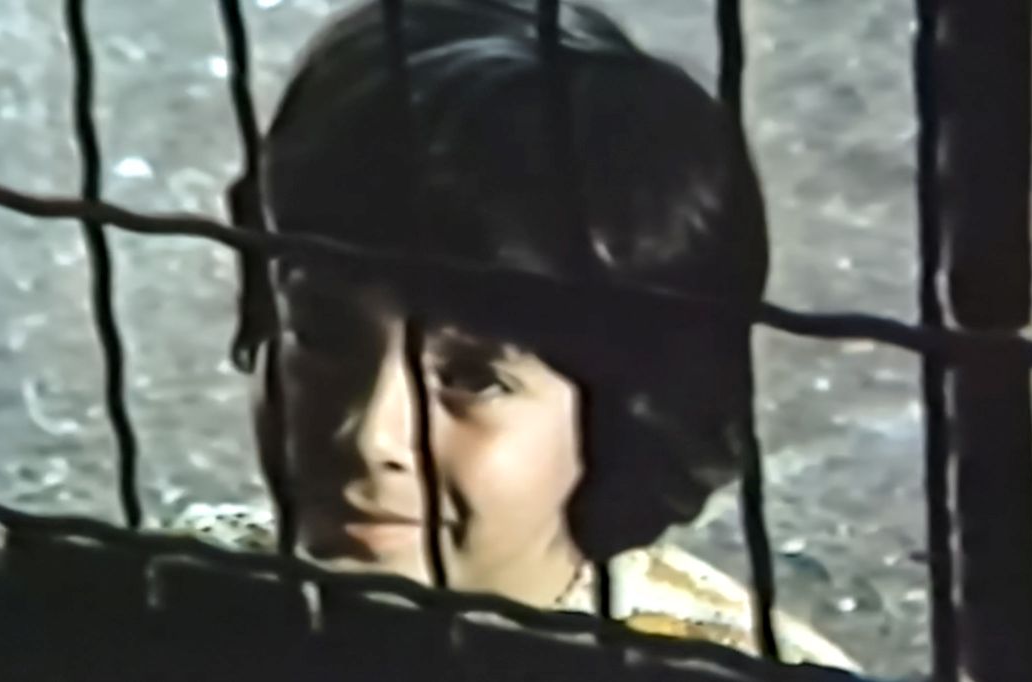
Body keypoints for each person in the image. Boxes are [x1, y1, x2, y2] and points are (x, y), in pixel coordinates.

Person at [173, 0, 858, 669]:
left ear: (627, 418)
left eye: (475, 378)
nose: (370, 434)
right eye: (321, 334)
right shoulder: (175, 595)